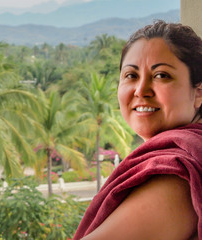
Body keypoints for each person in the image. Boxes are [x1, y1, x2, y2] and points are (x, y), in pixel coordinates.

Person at [73, 20, 202, 240]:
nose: (141, 90)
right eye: (131, 75)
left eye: (161, 75)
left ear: (198, 93)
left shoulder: (175, 176)